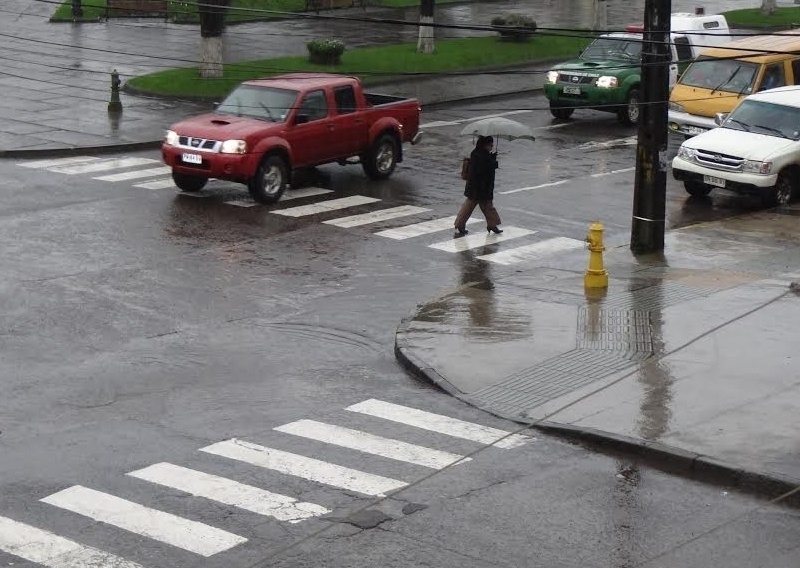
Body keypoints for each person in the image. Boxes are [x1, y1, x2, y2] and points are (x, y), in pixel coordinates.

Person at [454, 135, 502, 236]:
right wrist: (493, 160)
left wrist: (491, 158)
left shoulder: (477, 153)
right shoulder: (482, 156)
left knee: (479, 207)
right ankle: (492, 225)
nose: (492, 146)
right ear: (485, 145)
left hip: (476, 187)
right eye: (490, 145)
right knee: (486, 207)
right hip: (481, 188)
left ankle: (461, 224)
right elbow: (483, 170)